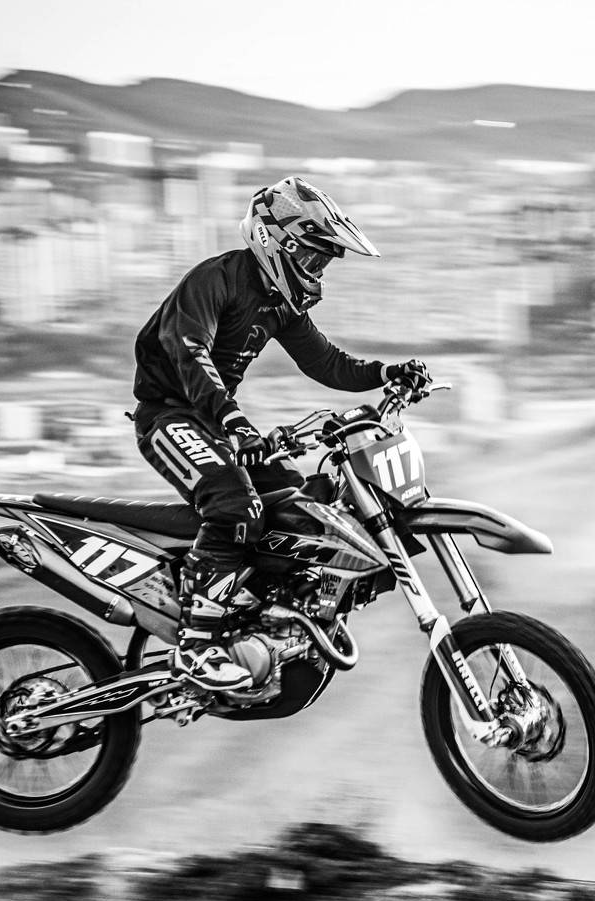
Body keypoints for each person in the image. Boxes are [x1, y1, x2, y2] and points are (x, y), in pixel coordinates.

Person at [131, 175, 429, 691]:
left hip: (216, 422)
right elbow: (190, 353)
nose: (317, 271)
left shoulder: (279, 303)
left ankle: (262, 614)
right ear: (276, 241)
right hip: (168, 418)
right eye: (313, 257)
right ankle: (195, 644)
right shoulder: (216, 279)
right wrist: (235, 424)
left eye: (323, 263)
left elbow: (327, 362)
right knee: (234, 505)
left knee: (296, 500)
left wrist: (387, 372)